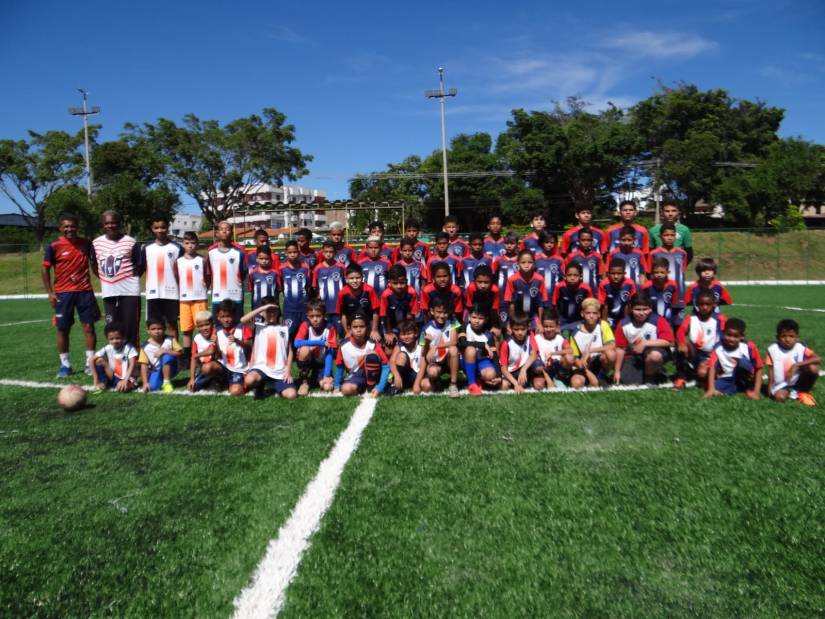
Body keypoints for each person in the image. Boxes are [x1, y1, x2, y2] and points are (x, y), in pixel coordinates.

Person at [42, 212, 100, 377]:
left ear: (77, 227)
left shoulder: (87, 244)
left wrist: (106, 280)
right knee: (63, 329)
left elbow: (94, 265)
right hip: (63, 293)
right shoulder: (53, 246)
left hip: (85, 291)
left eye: (72, 226)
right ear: (60, 228)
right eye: (66, 226)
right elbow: (45, 269)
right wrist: (50, 293)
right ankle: (65, 365)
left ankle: (89, 364)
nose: (70, 229)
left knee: (89, 327)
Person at [90, 210, 142, 347]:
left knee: (130, 329)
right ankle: (117, 358)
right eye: (107, 223)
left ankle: (133, 357)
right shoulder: (96, 243)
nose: (110, 226)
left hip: (129, 292)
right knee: (112, 330)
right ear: (102, 224)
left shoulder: (131, 242)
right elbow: (94, 266)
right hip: (109, 292)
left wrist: (126, 279)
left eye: (113, 222)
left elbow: (139, 265)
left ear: (119, 223)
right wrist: (106, 279)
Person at [612, 293, 674, 385]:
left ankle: (650, 377)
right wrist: (617, 371)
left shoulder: (658, 320)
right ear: (631, 308)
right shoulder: (623, 324)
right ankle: (657, 373)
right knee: (629, 382)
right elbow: (620, 349)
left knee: (654, 357)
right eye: (637, 309)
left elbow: (669, 341)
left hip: (654, 352)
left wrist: (645, 343)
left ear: (650, 308)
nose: (641, 313)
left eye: (645, 309)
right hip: (633, 356)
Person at [242, 299, 297, 400]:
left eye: (274, 310)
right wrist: (263, 308)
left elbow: (290, 352)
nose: (271, 313)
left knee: (291, 395)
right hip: (261, 369)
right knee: (249, 380)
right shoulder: (258, 327)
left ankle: (272, 384)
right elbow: (243, 320)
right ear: (262, 313)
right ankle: (261, 384)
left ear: (278, 311)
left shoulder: (284, 328)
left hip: (279, 371)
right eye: (268, 311)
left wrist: (288, 370)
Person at [673, 289, 725, 390]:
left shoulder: (720, 319)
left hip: (712, 355)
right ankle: (681, 377)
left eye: (708, 304)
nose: (704, 307)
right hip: (695, 352)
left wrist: (715, 357)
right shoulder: (691, 318)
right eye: (701, 304)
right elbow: (680, 332)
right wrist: (682, 343)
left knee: (702, 373)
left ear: (714, 304)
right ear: (697, 304)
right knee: (682, 345)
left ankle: (706, 373)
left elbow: (724, 340)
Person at [141, 216, 182, 341]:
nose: (160, 230)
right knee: (154, 326)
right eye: (156, 227)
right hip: (153, 293)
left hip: (172, 293)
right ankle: (155, 351)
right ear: (152, 229)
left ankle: (175, 351)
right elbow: (140, 269)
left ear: (168, 228)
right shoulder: (146, 248)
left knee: (172, 325)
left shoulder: (177, 248)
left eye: (163, 227)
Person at [333, 312, 390, 397]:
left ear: (367, 327)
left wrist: (380, 387)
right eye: (355, 327)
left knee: (371, 356)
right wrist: (337, 385)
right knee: (346, 389)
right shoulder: (344, 345)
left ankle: (371, 386)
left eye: (362, 326)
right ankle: (360, 387)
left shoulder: (373, 344)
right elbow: (339, 366)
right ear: (350, 328)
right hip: (356, 375)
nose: (358, 330)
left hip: (375, 375)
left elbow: (386, 366)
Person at [765, 319, 820, 406]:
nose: (787, 339)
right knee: (780, 397)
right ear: (777, 337)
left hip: (798, 380)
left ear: (797, 337)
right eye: (783, 336)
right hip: (782, 384)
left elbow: (817, 358)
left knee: (813, 367)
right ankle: (794, 393)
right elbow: (770, 370)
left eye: (791, 336)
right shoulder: (773, 350)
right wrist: (769, 388)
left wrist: (796, 365)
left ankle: (804, 391)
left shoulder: (800, 347)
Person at [705, 318, 762, 400]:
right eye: (729, 335)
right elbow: (712, 367)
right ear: (723, 333)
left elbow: (759, 368)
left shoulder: (749, 347)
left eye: (736, 336)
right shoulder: (718, 347)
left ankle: (747, 386)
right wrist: (711, 389)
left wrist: (756, 392)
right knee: (716, 386)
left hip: (747, 377)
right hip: (728, 377)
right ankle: (736, 388)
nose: (731, 339)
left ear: (742, 336)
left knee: (742, 361)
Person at [177, 231, 210, 364]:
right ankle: (187, 357)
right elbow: (176, 278)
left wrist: (206, 285)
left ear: (197, 244)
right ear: (183, 244)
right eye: (187, 243)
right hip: (184, 300)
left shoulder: (202, 260)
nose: (190, 245)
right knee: (186, 330)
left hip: (200, 299)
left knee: (203, 328)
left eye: (193, 243)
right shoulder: (178, 261)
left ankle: (205, 355)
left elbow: (208, 276)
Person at [568, 298, 616, 389]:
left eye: (594, 313)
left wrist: (590, 350)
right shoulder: (575, 332)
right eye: (588, 313)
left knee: (611, 353)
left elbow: (612, 345)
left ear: (599, 314)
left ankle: (602, 376)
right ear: (582, 314)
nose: (591, 316)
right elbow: (574, 357)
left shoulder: (603, 325)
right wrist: (584, 367)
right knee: (576, 383)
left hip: (599, 361)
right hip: (584, 365)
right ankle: (592, 380)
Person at [294, 298, 338, 395]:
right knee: (304, 349)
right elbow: (296, 343)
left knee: (327, 387)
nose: (315, 319)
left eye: (318, 316)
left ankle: (317, 378)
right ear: (307, 316)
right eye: (312, 316)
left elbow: (330, 352)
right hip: (308, 360)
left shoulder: (330, 328)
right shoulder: (305, 325)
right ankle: (304, 381)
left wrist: (327, 374)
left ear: (324, 315)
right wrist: (320, 342)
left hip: (322, 363)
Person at [420, 298, 461, 397]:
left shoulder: (452, 322)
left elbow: (454, 341)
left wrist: (436, 346)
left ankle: (453, 384)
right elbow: (423, 352)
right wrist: (427, 344)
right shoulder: (426, 328)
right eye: (439, 312)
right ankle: (437, 380)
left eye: (445, 312)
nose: (442, 316)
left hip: (448, 359)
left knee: (453, 349)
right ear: (432, 311)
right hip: (435, 362)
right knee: (426, 385)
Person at [207, 220, 247, 323]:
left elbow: (243, 272)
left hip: (235, 294)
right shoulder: (211, 252)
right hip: (218, 295)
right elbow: (209, 272)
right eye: (221, 229)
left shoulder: (239, 252)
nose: (224, 231)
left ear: (232, 233)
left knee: (237, 324)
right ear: (216, 233)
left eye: (227, 229)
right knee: (218, 324)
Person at [211, 298, 252, 396]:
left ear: (234, 315)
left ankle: (237, 382)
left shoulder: (242, 327)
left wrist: (237, 341)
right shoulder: (217, 330)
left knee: (235, 391)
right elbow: (217, 354)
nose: (226, 319)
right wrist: (215, 345)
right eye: (223, 316)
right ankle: (220, 380)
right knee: (207, 368)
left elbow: (249, 346)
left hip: (238, 368)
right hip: (223, 366)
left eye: (228, 316)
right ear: (218, 317)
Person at [458, 303, 501, 396]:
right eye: (474, 317)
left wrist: (499, 376)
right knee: (471, 350)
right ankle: (472, 384)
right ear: (469, 317)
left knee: (491, 374)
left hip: (481, 360)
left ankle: (479, 379)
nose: (476, 321)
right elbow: (462, 343)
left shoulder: (488, 335)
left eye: (480, 318)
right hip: (465, 360)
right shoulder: (464, 326)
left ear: (486, 319)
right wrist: (482, 344)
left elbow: (495, 356)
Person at [500, 312, 545, 393]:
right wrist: (516, 384)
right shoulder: (506, 344)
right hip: (512, 372)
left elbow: (534, 354)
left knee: (539, 380)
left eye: (523, 329)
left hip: (526, 369)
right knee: (504, 386)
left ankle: (531, 379)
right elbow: (503, 369)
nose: (520, 332)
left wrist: (523, 369)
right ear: (510, 328)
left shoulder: (530, 335)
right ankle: (519, 383)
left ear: (528, 327)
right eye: (516, 329)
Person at [336, 263, 380, 341]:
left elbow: (375, 312)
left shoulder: (369, 290)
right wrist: (347, 331)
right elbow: (343, 314)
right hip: (352, 327)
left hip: (368, 325)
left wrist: (374, 330)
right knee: (346, 343)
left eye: (357, 278)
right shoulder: (342, 293)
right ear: (346, 279)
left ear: (362, 277)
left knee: (376, 341)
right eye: (351, 278)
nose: (355, 281)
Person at [138, 317, 182, 393]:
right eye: (153, 329)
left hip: (172, 367)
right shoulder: (145, 347)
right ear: (148, 330)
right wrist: (145, 383)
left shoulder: (170, 339)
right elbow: (143, 365)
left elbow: (180, 353)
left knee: (166, 356)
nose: (157, 331)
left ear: (164, 329)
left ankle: (166, 382)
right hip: (157, 369)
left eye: (159, 328)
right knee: (153, 387)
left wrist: (165, 351)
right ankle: (160, 380)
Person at [380, 265, 420, 349]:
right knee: (388, 350)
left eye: (402, 283)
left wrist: (409, 332)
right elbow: (385, 315)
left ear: (406, 281)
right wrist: (389, 332)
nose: (399, 286)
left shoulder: (412, 293)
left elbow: (412, 314)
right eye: (395, 283)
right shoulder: (386, 295)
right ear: (389, 283)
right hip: (391, 325)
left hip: (407, 324)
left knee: (413, 344)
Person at [311, 241, 346, 334]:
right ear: (322, 252)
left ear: (335, 253)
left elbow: (346, 285)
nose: (328, 254)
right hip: (324, 306)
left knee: (340, 332)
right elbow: (316, 288)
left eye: (331, 252)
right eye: (326, 251)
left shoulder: (341, 267)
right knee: (325, 332)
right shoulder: (318, 268)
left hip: (339, 306)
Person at [91, 321, 137, 392]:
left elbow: (132, 365)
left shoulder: (129, 348)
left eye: (118, 338)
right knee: (99, 360)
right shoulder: (107, 348)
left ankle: (124, 384)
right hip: (113, 376)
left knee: (123, 389)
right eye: (111, 339)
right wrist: (95, 378)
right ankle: (104, 381)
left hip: (128, 377)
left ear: (123, 337)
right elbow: (91, 360)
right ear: (107, 339)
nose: (114, 341)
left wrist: (125, 380)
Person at [279, 240, 311, 339]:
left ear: (299, 252)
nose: (292, 254)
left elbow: (308, 286)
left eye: (295, 252)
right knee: (288, 334)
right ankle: (290, 349)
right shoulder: (282, 269)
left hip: (303, 307)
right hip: (289, 308)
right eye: (290, 252)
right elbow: (281, 287)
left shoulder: (305, 267)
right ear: (286, 253)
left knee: (304, 334)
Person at [505, 250, 547, 325]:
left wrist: (540, 323)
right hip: (518, 317)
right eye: (523, 262)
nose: (526, 265)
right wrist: (512, 322)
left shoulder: (540, 279)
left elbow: (540, 304)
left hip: (533, 317)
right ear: (518, 263)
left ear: (534, 263)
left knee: (538, 332)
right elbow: (511, 303)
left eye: (530, 262)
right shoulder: (512, 280)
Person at [648, 222, 689, 298]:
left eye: (672, 235)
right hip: (659, 292)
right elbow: (650, 273)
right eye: (666, 235)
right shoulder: (653, 254)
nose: (669, 238)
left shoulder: (682, 253)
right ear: (660, 237)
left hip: (678, 291)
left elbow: (682, 272)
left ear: (675, 236)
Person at [535, 310, 573, 389]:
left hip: (557, 368)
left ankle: (560, 378)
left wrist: (553, 353)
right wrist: (548, 379)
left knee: (569, 357)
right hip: (543, 370)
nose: (548, 329)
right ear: (542, 326)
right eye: (546, 326)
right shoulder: (537, 339)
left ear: (557, 327)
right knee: (538, 385)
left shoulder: (560, 338)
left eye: (551, 326)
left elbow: (570, 350)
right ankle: (548, 380)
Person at [389, 319, 427, 395]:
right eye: (403, 334)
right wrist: (396, 376)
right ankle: (395, 386)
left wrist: (417, 383)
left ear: (416, 333)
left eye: (409, 334)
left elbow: (423, 365)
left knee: (427, 385)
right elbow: (392, 361)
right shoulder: (399, 346)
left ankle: (434, 383)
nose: (406, 337)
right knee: (402, 355)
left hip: (418, 375)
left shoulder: (421, 345)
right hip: (404, 376)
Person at [552, 262, 593, 329]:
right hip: (563, 320)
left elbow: (591, 306)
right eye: (569, 275)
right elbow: (554, 305)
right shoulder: (559, 287)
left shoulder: (586, 289)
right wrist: (557, 320)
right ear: (565, 276)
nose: (572, 278)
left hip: (580, 320)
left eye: (575, 275)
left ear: (581, 277)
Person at [492, 231, 521, 328]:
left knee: (516, 320)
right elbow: (493, 276)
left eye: (512, 243)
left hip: (517, 294)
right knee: (503, 321)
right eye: (507, 243)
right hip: (502, 294)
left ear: (517, 244)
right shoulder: (498, 260)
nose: (509, 246)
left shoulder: (520, 260)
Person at [598, 258, 637, 329]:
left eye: (619, 274)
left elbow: (628, 304)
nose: (616, 276)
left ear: (624, 273)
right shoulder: (604, 284)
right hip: (609, 317)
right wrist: (604, 323)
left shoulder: (630, 284)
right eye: (613, 273)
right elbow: (604, 306)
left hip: (623, 317)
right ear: (608, 273)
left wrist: (626, 322)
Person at [642, 257, 681, 327]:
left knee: (678, 322)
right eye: (656, 272)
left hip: (668, 318)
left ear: (668, 272)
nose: (659, 275)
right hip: (650, 318)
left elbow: (675, 303)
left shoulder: (673, 285)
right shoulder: (646, 286)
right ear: (652, 272)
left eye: (662, 272)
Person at [463, 264, 500, 335]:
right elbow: (469, 306)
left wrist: (494, 325)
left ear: (491, 281)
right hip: (474, 313)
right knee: (465, 326)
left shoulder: (495, 290)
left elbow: (494, 309)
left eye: (486, 282)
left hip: (488, 314)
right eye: (479, 282)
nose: (483, 285)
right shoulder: (471, 288)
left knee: (495, 333)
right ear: (474, 281)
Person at [187, 310, 219, 392]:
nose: (204, 328)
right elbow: (193, 358)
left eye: (207, 324)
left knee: (207, 367)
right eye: (201, 326)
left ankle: (218, 380)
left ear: (212, 324)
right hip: (203, 368)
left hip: (218, 368)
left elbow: (211, 351)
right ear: (197, 327)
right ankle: (207, 380)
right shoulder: (197, 338)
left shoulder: (216, 336)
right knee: (192, 388)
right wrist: (192, 378)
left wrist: (196, 355)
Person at [564, 228, 603, 292]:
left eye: (588, 240)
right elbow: (566, 275)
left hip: (593, 292)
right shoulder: (571, 257)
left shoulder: (598, 257)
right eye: (583, 240)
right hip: (576, 293)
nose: (586, 242)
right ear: (578, 241)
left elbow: (602, 276)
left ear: (592, 241)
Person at [535, 232, 564, 304]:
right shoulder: (535, 259)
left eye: (552, 242)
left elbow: (563, 278)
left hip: (554, 297)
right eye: (546, 242)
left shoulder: (559, 260)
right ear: (542, 243)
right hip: (538, 296)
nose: (549, 245)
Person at [249, 246, 280, 312]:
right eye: (261, 258)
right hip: (257, 308)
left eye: (266, 259)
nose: (264, 261)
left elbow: (278, 290)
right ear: (257, 259)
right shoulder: (253, 273)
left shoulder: (275, 274)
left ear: (270, 259)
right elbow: (252, 289)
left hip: (271, 307)